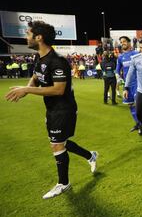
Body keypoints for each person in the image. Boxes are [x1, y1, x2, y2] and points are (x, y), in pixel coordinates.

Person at [5, 21, 98, 199]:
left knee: (56, 144)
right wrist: (27, 88)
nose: (26, 37)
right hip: (52, 109)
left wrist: (26, 90)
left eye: (28, 33)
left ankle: (63, 183)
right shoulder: (39, 58)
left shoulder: (58, 61)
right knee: (60, 141)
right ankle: (90, 155)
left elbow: (58, 89)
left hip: (64, 109)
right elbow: (36, 76)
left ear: (39, 37)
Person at [116, 36, 142, 133]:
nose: (123, 43)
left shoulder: (136, 54)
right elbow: (117, 70)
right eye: (121, 42)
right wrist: (118, 78)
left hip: (137, 84)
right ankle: (139, 124)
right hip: (127, 85)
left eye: (124, 41)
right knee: (130, 105)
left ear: (129, 42)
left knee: (138, 105)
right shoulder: (120, 57)